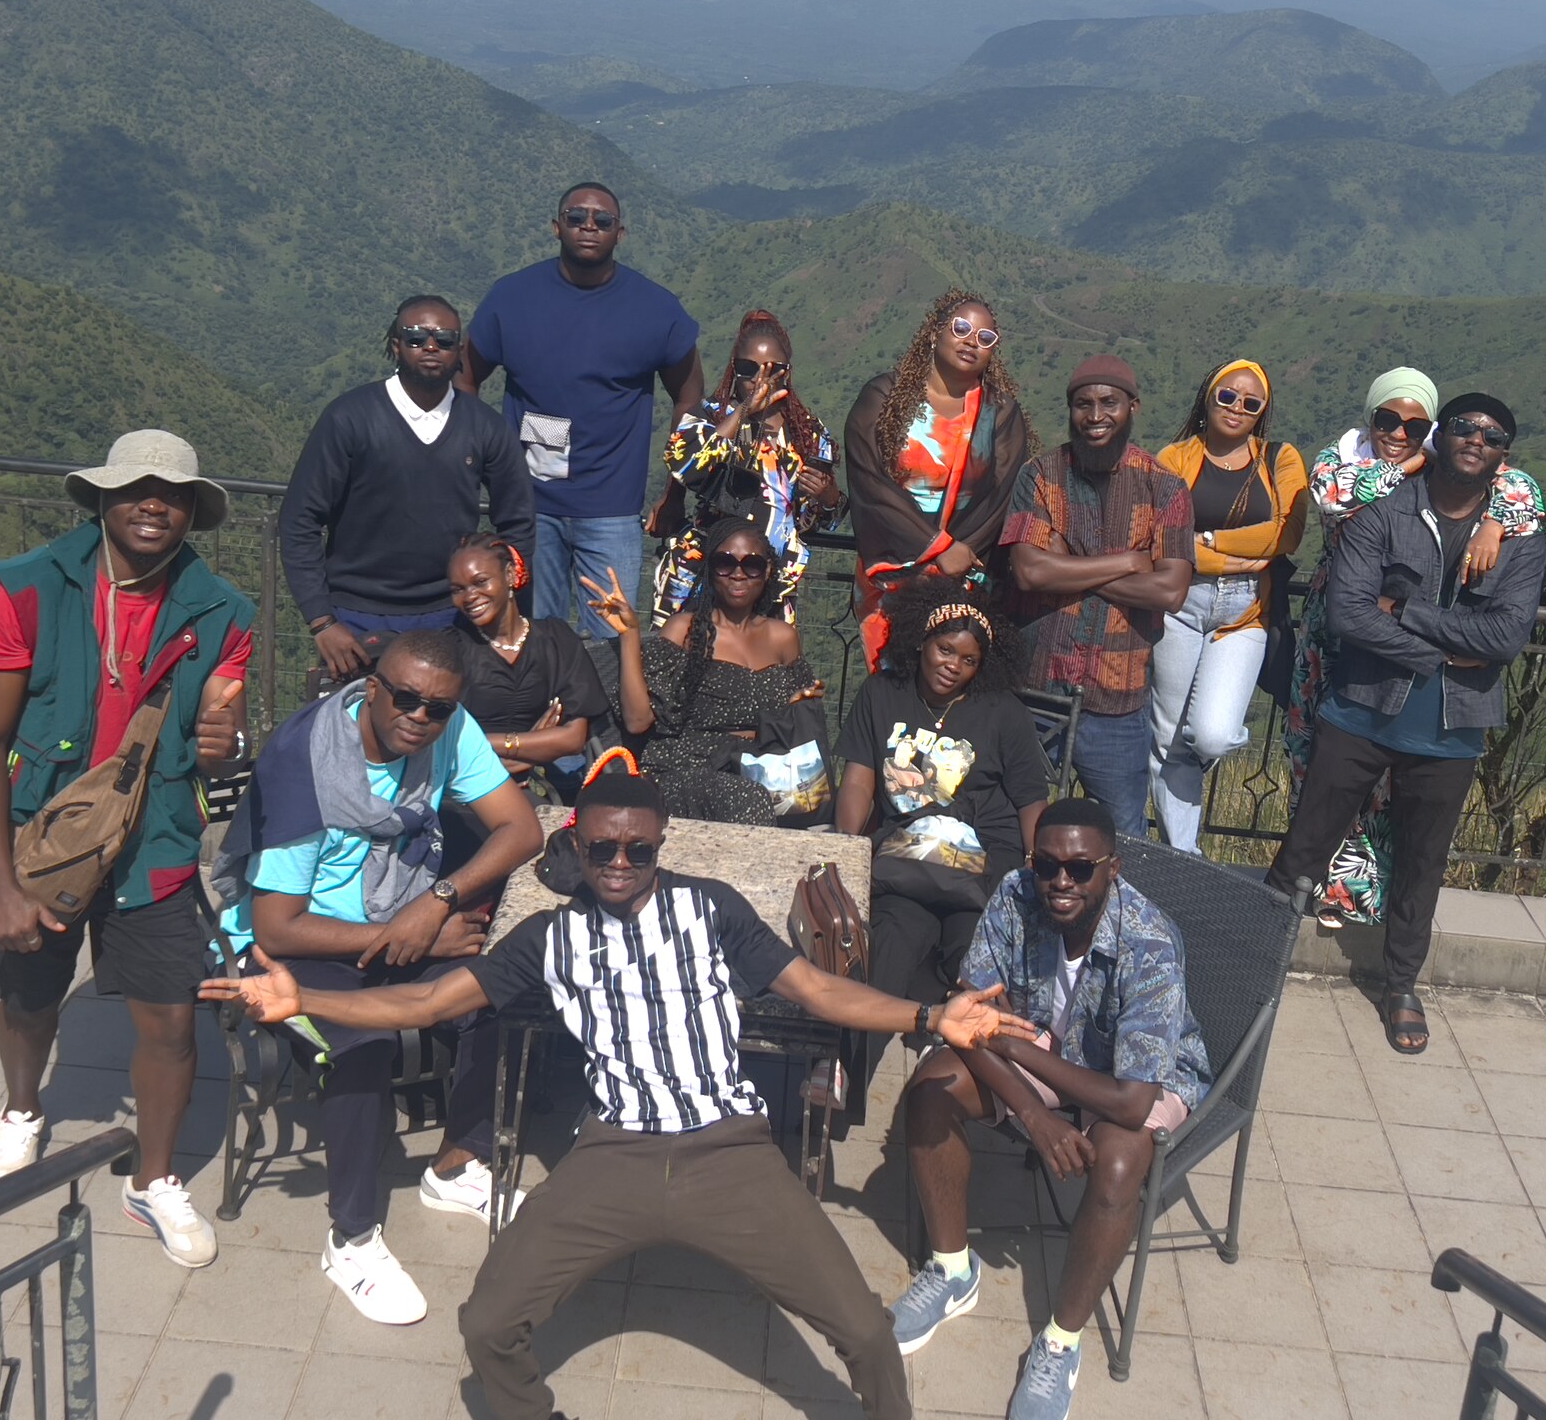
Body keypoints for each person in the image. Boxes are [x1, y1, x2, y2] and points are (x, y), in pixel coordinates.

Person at [200, 757, 1037, 1420]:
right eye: (604, 848)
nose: (621, 863)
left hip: (729, 1153)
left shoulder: (710, 910)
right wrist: (304, 997)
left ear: (660, 845)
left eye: (640, 849)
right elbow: (425, 1000)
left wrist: (931, 1018)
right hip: (614, 1155)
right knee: (487, 1326)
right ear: (578, 843)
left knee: (863, 1331)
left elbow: (818, 993)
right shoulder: (547, 938)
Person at [0, 430, 253, 1269]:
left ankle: (152, 1179)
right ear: (100, 500)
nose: (154, 503)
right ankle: (23, 1109)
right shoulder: (24, 592)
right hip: (44, 840)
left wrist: (227, 738)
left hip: (153, 841)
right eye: (135, 488)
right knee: (28, 996)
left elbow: (219, 742)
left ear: (194, 510)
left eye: (173, 492)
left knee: (170, 1018)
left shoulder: (222, 612)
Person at [211, 628, 546, 1319]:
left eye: (438, 708)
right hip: (296, 946)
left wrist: (436, 903)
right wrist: (408, 936)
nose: (419, 717)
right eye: (406, 698)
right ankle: (352, 1236)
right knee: (358, 1048)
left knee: (494, 992)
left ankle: (456, 1163)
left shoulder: (447, 731)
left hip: (397, 917)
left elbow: (523, 829)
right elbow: (278, 925)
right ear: (372, 689)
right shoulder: (306, 767)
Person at [896, 797, 1211, 1420]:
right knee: (930, 1091)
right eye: (1047, 865)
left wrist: (1014, 1048)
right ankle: (954, 1270)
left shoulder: (1149, 941)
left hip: (1135, 1072)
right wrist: (1035, 1117)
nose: (1060, 881)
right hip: (1044, 1040)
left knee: (1121, 1162)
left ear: (1112, 868)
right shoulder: (1015, 895)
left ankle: (1061, 1343)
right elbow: (968, 1020)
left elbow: (1131, 1097)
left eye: (1081, 867)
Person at [1267, 393, 1546, 1055]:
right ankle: (1257, 956)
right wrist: (1448, 653)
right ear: (1439, 438)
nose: (1476, 439)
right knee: (1304, 848)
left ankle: (1400, 986)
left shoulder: (1519, 539)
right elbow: (1351, 615)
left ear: (1504, 455)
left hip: (1450, 734)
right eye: (1463, 428)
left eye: (1492, 435)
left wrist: (1410, 615)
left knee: (1422, 866)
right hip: (1360, 711)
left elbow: (1507, 636)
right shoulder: (1384, 515)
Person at [464, 181, 703, 639]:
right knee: (532, 638)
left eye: (602, 220)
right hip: (529, 508)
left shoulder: (655, 310)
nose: (588, 227)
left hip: (612, 511)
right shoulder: (512, 299)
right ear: (557, 227)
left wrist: (676, 490)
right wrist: (479, 463)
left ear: (620, 233)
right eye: (576, 218)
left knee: (613, 647)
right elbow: (466, 376)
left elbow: (689, 397)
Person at [283, 293, 536, 680]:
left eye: (445, 339)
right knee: (359, 734)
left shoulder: (485, 427)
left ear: (460, 350)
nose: (431, 347)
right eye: (416, 337)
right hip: (355, 619)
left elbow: (518, 522)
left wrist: (496, 600)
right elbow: (300, 521)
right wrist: (322, 622)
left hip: (454, 614)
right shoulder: (349, 418)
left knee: (438, 728)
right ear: (395, 345)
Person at [834, 577, 1050, 1019]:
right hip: (906, 860)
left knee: (974, 961)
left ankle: (958, 1072)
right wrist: (845, 844)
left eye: (969, 660)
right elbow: (859, 780)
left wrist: (1038, 861)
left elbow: (1030, 798)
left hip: (984, 864)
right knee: (890, 942)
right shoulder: (881, 694)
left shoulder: (1003, 712)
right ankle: (849, 1074)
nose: (954, 665)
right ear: (921, 642)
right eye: (945, 650)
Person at [1000, 356, 1192, 829]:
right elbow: (1027, 572)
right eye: (1083, 404)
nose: (1095, 415)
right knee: (1008, 817)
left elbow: (1170, 591)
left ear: (1133, 407)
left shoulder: (1165, 488)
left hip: (1118, 698)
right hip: (1037, 686)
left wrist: (1068, 564)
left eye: (1110, 403)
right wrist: (1130, 562)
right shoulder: (1041, 476)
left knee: (1122, 833)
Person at [1147, 359, 1309, 852]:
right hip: (1178, 604)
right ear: (1207, 398)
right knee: (1167, 738)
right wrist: (1232, 559)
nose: (1237, 407)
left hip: (1245, 616)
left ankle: (1181, 796)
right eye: (1227, 396)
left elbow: (1288, 531)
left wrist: (1210, 541)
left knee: (1212, 737)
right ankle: (1183, 852)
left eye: (1250, 402)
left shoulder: (1278, 458)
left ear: (1262, 412)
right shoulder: (1174, 458)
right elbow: (1160, 538)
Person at [581, 521, 827, 826]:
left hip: (763, 767)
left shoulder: (783, 638)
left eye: (751, 565)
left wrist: (797, 704)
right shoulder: (684, 630)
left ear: (766, 573)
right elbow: (637, 720)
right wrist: (630, 635)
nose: (738, 573)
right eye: (725, 563)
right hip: (688, 768)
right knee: (748, 798)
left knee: (818, 801)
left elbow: (797, 725)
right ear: (711, 570)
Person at [844, 290, 1033, 648]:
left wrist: (957, 555)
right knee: (891, 683)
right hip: (891, 571)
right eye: (960, 328)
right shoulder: (883, 396)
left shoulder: (1002, 413)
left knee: (948, 679)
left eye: (984, 337)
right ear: (935, 333)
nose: (971, 342)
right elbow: (870, 482)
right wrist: (936, 547)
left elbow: (1002, 496)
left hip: (963, 575)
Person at [650, 309, 842, 627]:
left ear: (788, 373)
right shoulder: (712, 416)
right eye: (747, 368)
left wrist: (829, 496)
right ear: (733, 369)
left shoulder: (808, 434)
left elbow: (816, 522)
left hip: (773, 582)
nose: (758, 380)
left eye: (773, 370)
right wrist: (742, 412)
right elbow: (683, 461)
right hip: (705, 575)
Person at [447, 534, 609, 796]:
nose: (469, 597)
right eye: (458, 589)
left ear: (510, 575)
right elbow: (447, 744)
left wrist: (486, 745)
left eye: (480, 582)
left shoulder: (556, 639)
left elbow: (572, 738)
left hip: (529, 790)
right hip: (462, 792)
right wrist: (532, 746)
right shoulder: (451, 650)